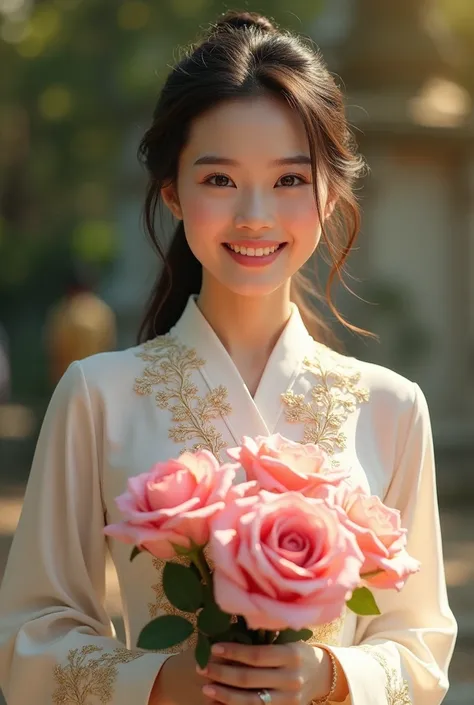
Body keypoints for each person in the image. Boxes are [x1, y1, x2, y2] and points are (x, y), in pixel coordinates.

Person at [0, 10, 456, 705]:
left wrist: (331, 674)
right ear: (173, 192)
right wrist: (160, 680)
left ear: (331, 192)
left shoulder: (393, 407)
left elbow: (422, 648)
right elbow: (30, 633)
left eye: (289, 180)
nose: (254, 215)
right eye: (218, 179)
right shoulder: (99, 395)